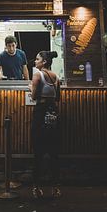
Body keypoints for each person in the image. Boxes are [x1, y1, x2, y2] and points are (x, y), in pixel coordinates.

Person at [30, 49, 61, 199]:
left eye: (37, 59)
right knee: (54, 151)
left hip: (41, 112)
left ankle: (36, 187)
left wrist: (31, 88)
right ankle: (55, 187)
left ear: (44, 62)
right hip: (53, 113)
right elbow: (58, 97)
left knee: (38, 151)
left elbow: (34, 96)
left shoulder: (37, 75)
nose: (35, 61)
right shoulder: (56, 77)